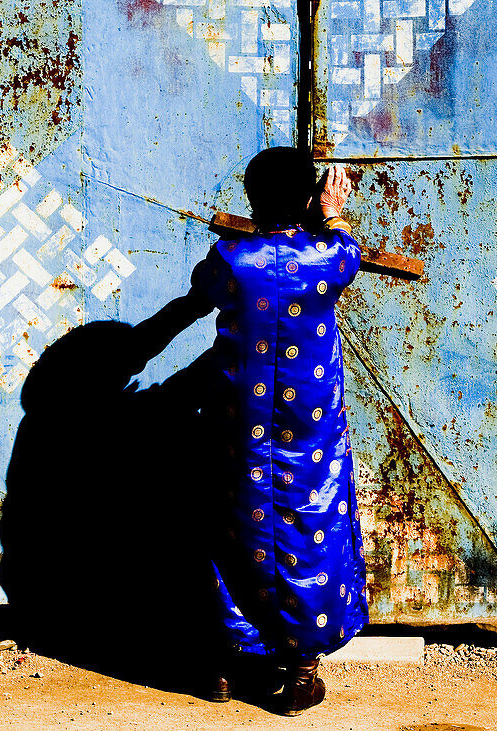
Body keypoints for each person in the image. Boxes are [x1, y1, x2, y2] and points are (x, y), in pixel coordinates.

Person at [137, 147, 368, 716]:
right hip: (308, 429)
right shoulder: (331, 258)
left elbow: (200, 291)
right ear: (311, 198)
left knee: (233, 526)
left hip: (239, 426)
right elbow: (347, 246)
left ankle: (231, 658)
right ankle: (299, 667)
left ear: (250, 197)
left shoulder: (232, 260)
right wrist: (332, 211)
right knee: (310, 525)